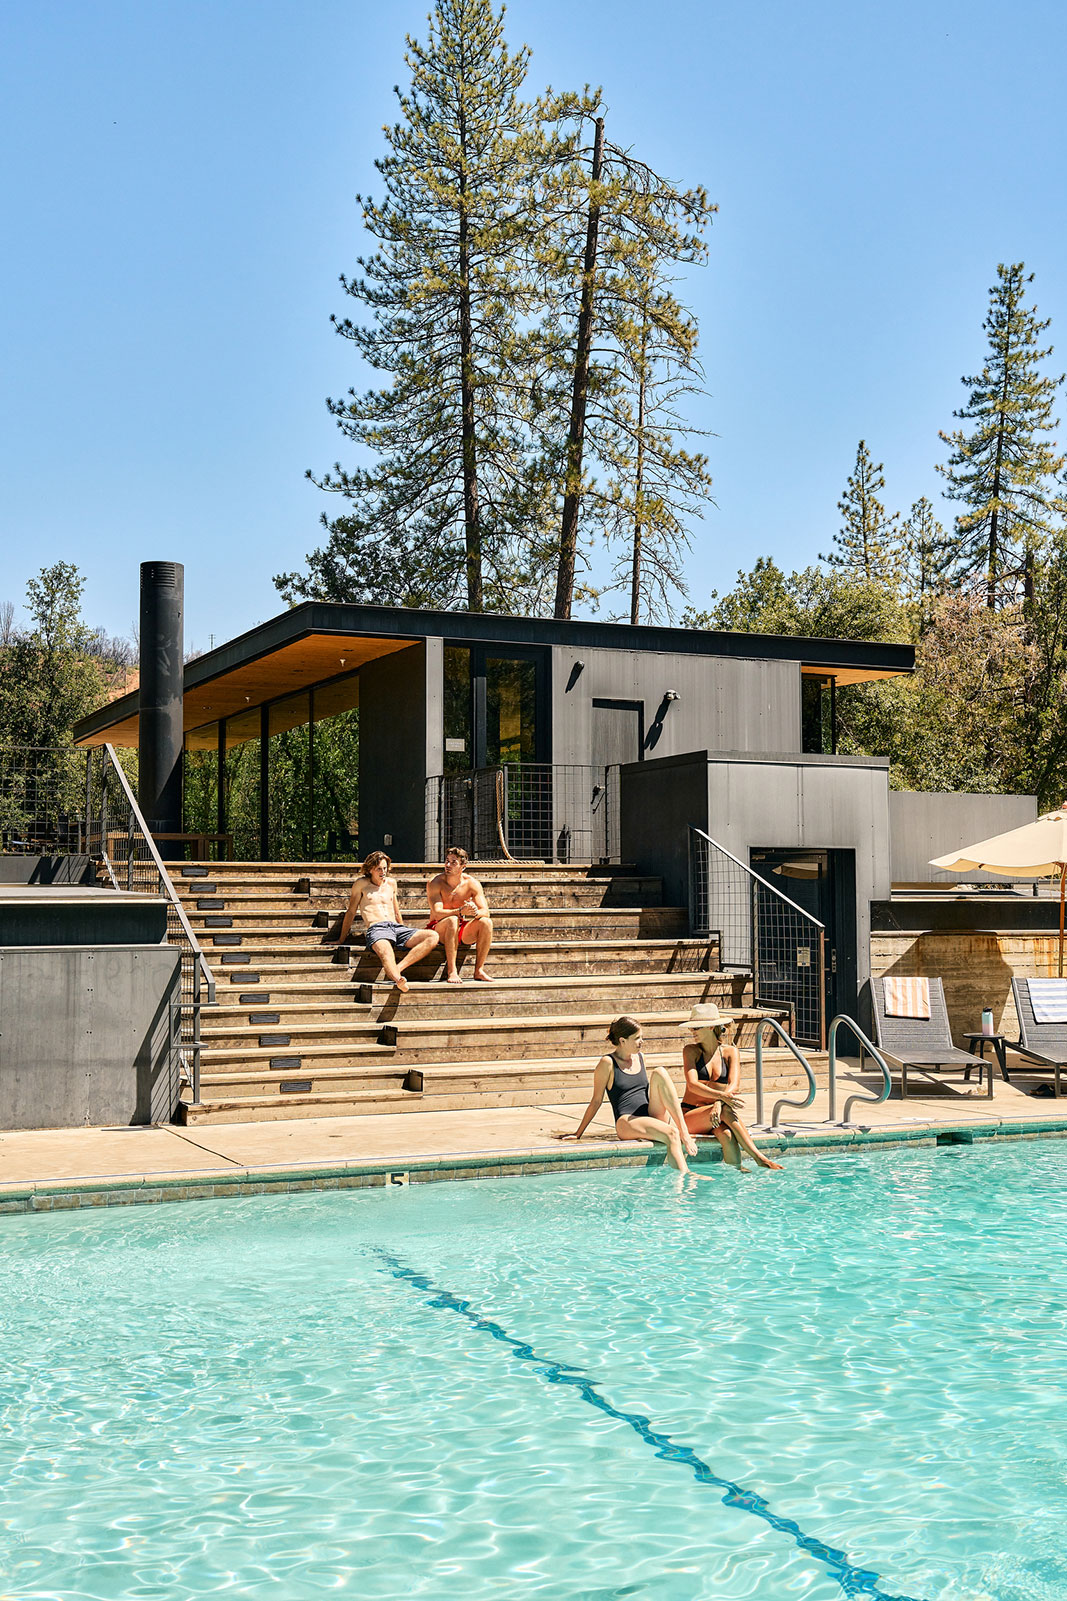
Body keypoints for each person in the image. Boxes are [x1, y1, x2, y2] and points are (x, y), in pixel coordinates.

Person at [561, 1016, 710, 1177]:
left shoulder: (640, 1057)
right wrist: (578, 1133)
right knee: (671, 1134)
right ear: (622, 1041)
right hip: (626, 1121)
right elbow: (596, 1101)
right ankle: (686, 1176)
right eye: (637, 1038)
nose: (642, 1042)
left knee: (660, 1071)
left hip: (648, 1115)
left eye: (642, 1037)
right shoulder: (608, 1063)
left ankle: (684, 1132)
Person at [678, 1003, 783, 1171]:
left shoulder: (730, 1052)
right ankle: (760, 1158)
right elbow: (693, 1085)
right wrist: (720, 1099)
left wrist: (718, 1103)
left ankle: (737, 1173)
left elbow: (734, 1084)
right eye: (691, 1028)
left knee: (727, 1135)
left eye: (696, 1027)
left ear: (711, 1026)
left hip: (716, 1113)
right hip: (691, 1115)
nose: (692, 1032)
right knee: (727, 1111)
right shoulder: (690, 1051)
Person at [335, 850, 439, 993]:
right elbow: (351, 911)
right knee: (386, 952)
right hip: (377, 928)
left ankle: (398, 968)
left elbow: (396, 911)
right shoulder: (361, 884)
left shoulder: (391, 883)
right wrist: (341, 940)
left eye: (385, 868)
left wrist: (402, 929)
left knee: (432, 936)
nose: (383, 872)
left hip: (396, 927)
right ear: (370, 869)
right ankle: (398, 979)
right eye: (379, 869)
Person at [425, 846, 494, 983]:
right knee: (452, 919)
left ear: (463, 866)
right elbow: (437, 913)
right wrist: (460, 912)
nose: (448, 865)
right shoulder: (435, 883)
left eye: (453, 862)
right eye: (447, 861)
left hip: (461, 929)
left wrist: (473, 911)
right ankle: (452, 971)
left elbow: (485, 911)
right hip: (438, 929)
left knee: (486, 922)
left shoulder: (472, 884)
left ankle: (479, 970)